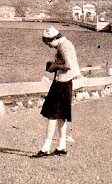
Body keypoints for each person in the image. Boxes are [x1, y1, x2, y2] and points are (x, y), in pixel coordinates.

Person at [32, 26, 81, 158]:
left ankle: (46, 148)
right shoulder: (66, 43)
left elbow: (68, 65)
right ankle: (62, 146)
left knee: (52, 115)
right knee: (61, 115)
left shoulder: (63, 46)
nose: (49, 46)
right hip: (66, 82)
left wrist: (53, 66)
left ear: (54, 39)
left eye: (48, 43)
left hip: (61, 83)